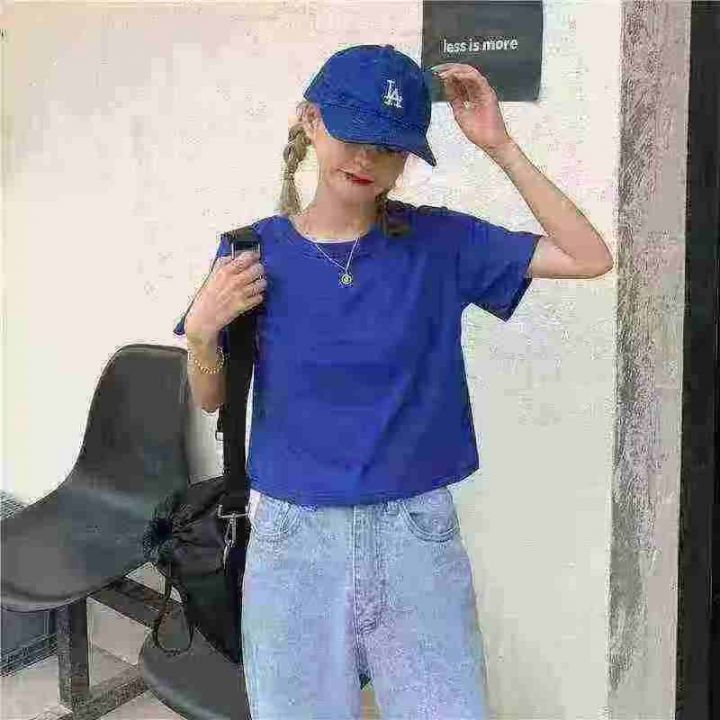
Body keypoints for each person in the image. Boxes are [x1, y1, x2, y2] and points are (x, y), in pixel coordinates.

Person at [175, 44, 613, 720]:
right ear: (311, 120)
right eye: (353, 132)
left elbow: (588, 256)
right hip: (295, 541)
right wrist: (203, 334)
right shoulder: (252, 253)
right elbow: (214, 400)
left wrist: (500, 146)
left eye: (389, 146)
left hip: (416, 537)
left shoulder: (440, 243)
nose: (367, 158)